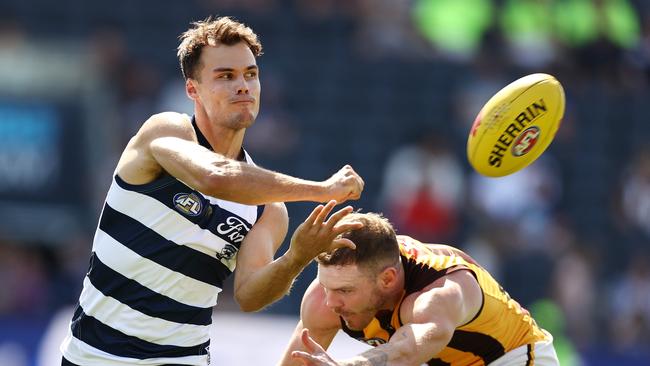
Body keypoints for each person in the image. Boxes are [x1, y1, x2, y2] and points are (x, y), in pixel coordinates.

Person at [60, 16, 364, 366]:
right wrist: (322, 189)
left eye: (251, 74)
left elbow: (250, 296)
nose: (243, 86)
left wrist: (297, 257)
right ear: (193, 89)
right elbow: (215, 177)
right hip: (96, 356)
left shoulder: (267, 208)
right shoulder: (166, 131)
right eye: (225, 76)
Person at [279, 212, 559, 366]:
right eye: (326, 286)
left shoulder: (439, 291)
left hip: (514, 360)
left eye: (344, 291)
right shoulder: (325, 296)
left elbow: (407, 351)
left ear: (388, 279)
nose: (331, 302)